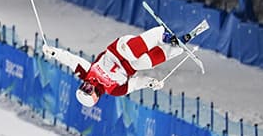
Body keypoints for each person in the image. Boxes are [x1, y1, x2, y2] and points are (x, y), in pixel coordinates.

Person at [41, 24, 197, 107]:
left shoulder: (86, 73)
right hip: (130, 65)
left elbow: (71, 60)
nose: (87, 85)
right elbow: (136, 83)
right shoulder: (115, 90)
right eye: (88, 90)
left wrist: (53, 52)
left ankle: (159, 35)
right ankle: (176, 47)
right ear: (95, 97)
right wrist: (151, 83)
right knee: (143, 63)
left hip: (120, 49)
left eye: (83, 86)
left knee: (132, 53)